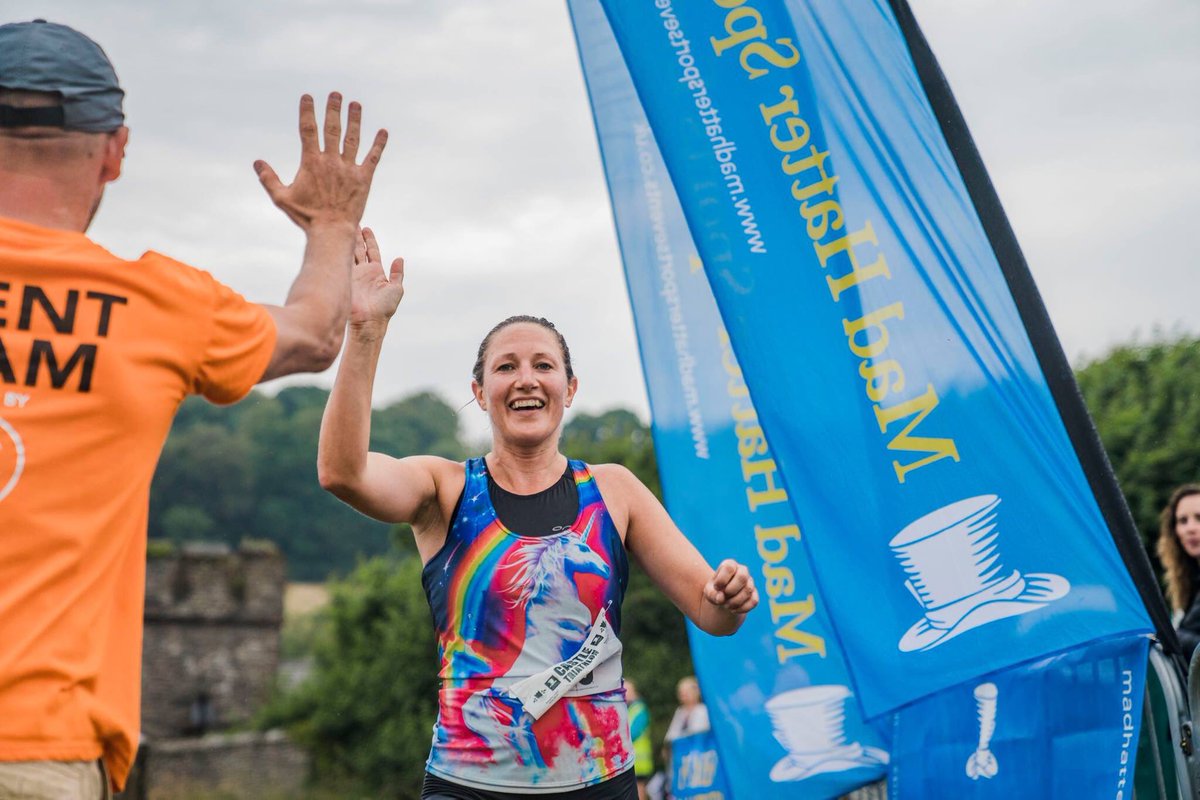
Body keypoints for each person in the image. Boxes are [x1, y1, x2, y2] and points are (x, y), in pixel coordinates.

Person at [0, 20, 387, 798]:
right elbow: (313, 333)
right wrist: (333, 222)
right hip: (38, 743)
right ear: (114, 150)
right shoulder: (156, 304)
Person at [317, 229, 759, 799]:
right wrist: (366, 332)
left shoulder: (614, 491)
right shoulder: (444, 488)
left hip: (601, 783)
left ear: (569, 387)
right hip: (467, 784)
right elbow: (342, 473)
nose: (526, 378)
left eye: (543, 365)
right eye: (506, 367)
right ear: (480, 391)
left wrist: (729, 599)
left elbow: (709, 611)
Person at [1157, 484, 1200, 662]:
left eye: (1199, 518)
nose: (1190, 528)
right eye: (1182, 521)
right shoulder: (1189, 582)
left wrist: (1170, 635)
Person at [624, 679, 654, 800]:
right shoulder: (630, 708)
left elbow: (633, 733)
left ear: (633, 691)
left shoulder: (639, 709)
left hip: (639, 761)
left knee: (639, 790)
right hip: (631, 759)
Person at [663, 676, 709, 743]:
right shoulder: (680, 712)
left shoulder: (703, 710)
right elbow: (670, 735)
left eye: (686, 692)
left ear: (695, 693)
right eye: (681, 693)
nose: (683, 696)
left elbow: (698, 732)